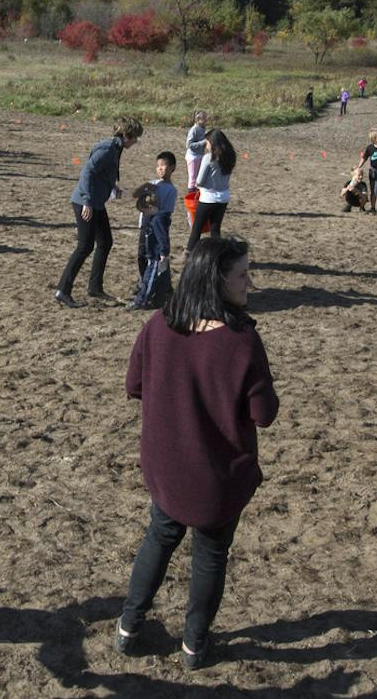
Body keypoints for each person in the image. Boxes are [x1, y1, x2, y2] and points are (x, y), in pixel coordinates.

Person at [117, 238, 278, 668]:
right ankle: (193, 646)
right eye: (242, 274)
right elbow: (264, 415)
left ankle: (129, 627)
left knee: (160, 536)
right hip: (217, 477)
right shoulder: (242, 342)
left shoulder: (158, 324)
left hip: (166, 466)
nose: (250, 282)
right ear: (216, 281)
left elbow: (134, 386)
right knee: (209, 555)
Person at [55, 117, 141, 307]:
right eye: (135, 138)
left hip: (96, 202)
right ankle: (63, 290)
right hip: (85, 202)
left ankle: (95, 287)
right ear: (127, 135)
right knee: (85, 246)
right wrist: (86, 201)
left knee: (105, 241)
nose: (136, 142)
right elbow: (87, 172)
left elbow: (102, 173)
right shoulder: (108, 149)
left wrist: (113, 187)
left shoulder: (116, 148)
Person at [130, 152, 179, 309]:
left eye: (163, 166)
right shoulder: (152, 183)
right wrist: (145, 186)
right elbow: (135, 195)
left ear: (172, 168)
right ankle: (148, 281)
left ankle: (154, 288)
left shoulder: (171, 190)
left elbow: (167, 211)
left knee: (157, 257)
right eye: (157, 166)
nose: (159, 169)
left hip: (157, 225)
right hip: (145, 225)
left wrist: (157, 217)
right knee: (142, 255)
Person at [190, 129, 238, 247]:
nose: (205, 145)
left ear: (213, 142)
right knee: (215, 230)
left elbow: (200, 181)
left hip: (208, 198)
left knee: (196, 230)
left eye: (207, 142)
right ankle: (217, 256)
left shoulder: (209, 157)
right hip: (224, 197)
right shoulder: (230, 156)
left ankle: (188, 255)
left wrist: (197, 184)